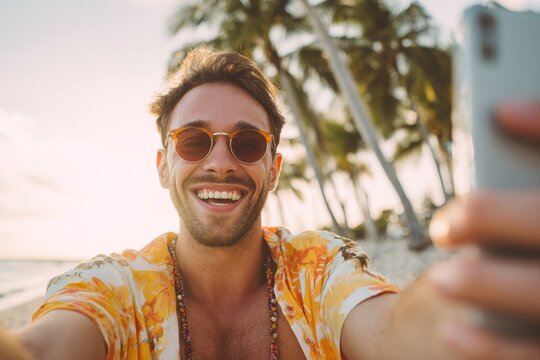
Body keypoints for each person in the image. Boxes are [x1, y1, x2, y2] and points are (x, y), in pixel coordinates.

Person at [3, 47, 540, 360]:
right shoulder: (115, 286)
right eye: (193, 140)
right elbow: (42, 350)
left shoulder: (317, 271)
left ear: (274, 168)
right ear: (163, 164)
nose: (220, 162)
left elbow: (396, 331)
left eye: (247, 142)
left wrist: (473, 312)